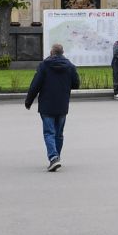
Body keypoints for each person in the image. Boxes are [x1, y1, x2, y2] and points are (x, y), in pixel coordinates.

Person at [24, 43, 80, 171]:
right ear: (62, 52)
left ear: (51, 52)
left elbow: (35, 85)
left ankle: (53, 157)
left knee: (49, 132)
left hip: (46, 105)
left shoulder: (44, 65)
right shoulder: (70, 66)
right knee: (59, 134)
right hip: (62, 104)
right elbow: (76, 84)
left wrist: (29, 101)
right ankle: (57, 157)